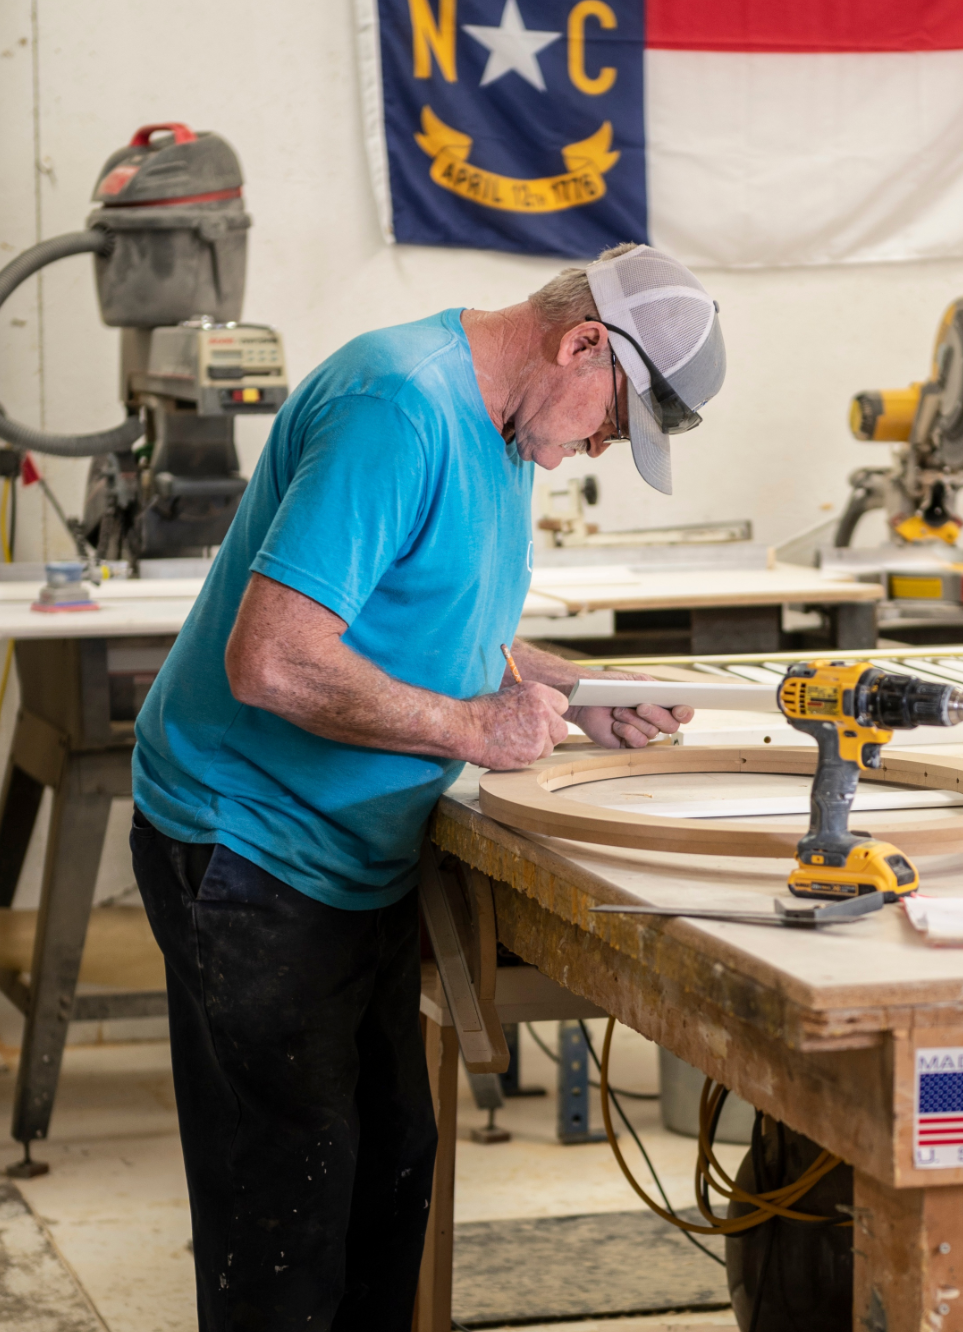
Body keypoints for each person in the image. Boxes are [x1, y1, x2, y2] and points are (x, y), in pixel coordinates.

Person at [129, 242, 726, 1331]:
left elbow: (427, 620)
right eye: (608, 422)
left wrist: (569, 689)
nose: (592, 449)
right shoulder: (396, 406)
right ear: (582, 341)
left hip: (350, 854)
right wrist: (470, 729)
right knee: (289, 1209)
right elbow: (271, 660)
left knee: (390, 1163)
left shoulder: (502, 428)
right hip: (250, 847)